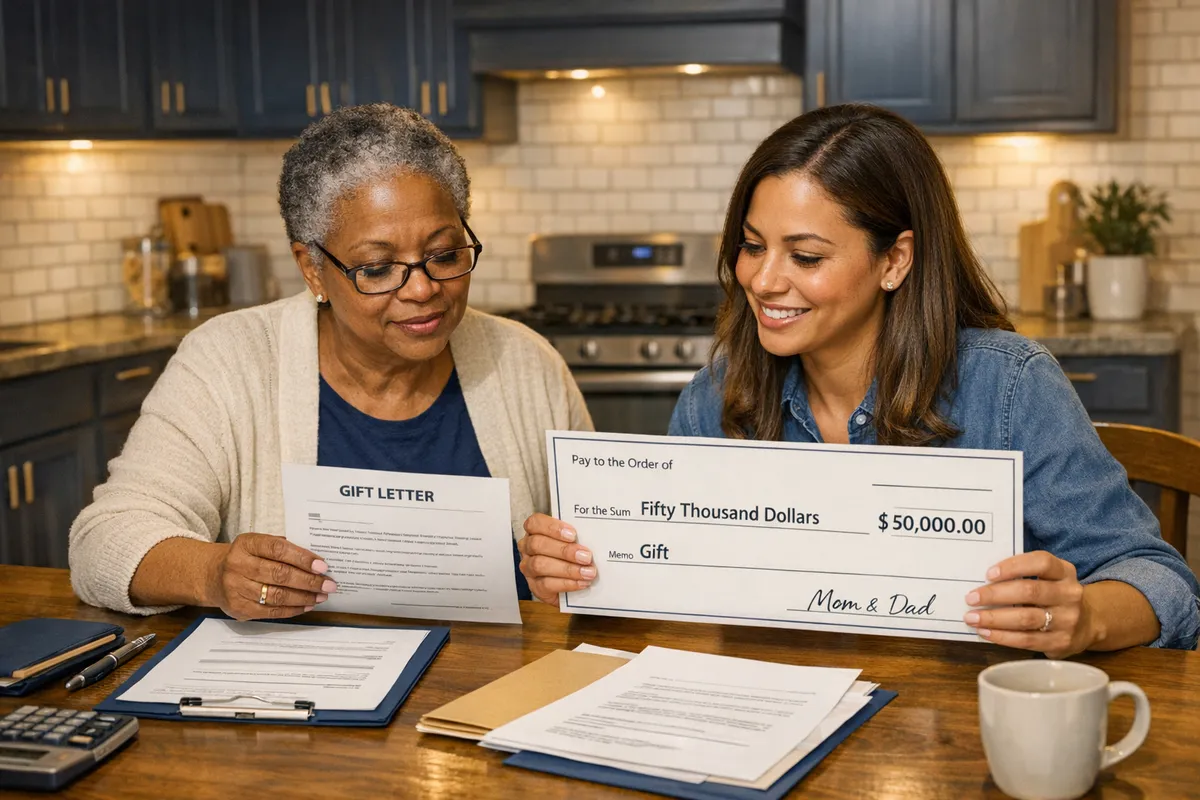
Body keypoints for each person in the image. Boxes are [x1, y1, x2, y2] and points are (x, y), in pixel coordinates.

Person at [519, 103, 1200, 657]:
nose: (762, 280)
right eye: (752, 245)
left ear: (895, 260)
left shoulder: (1011, 386)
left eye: (805, 255)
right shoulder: (716, 397)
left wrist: (1082, 617)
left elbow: (1161, 580)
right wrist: (586, 575)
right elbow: (666, 601)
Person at [70, 104, 591, 619]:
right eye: (379, 267)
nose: (424, 289)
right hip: (301, 691)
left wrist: (574, 573)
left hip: (495, 686)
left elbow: (605, 548)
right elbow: (103, 543)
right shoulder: (230, 361)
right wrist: (214, 573)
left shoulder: (527, 363)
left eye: (445, 254)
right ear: (313, 269)